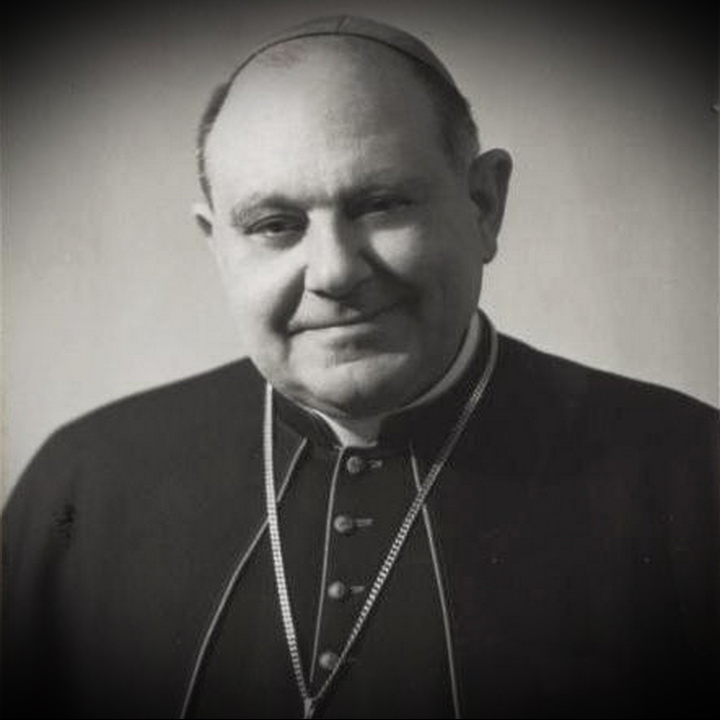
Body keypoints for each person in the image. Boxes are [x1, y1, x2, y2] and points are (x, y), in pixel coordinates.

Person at [2, 14, 718, 720]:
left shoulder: (692, 477)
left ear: (484, 205)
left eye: (381, 205)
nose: (335, 272)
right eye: (275, 226)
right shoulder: (83, 482)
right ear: (216, 245)